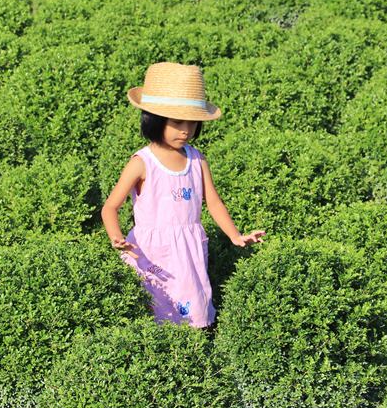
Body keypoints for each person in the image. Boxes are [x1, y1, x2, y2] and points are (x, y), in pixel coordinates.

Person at [101, 61, 265, 330]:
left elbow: (213, 202)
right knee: (155, 313)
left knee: (194, 312)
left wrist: (236, 235)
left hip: (188, 250)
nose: (185, 130)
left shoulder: (196, 159)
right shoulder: (143, 162)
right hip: (151, 253)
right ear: (154, 120)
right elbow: (110, 207)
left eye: (191, 123)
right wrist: (116, 238)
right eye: (177, 122)